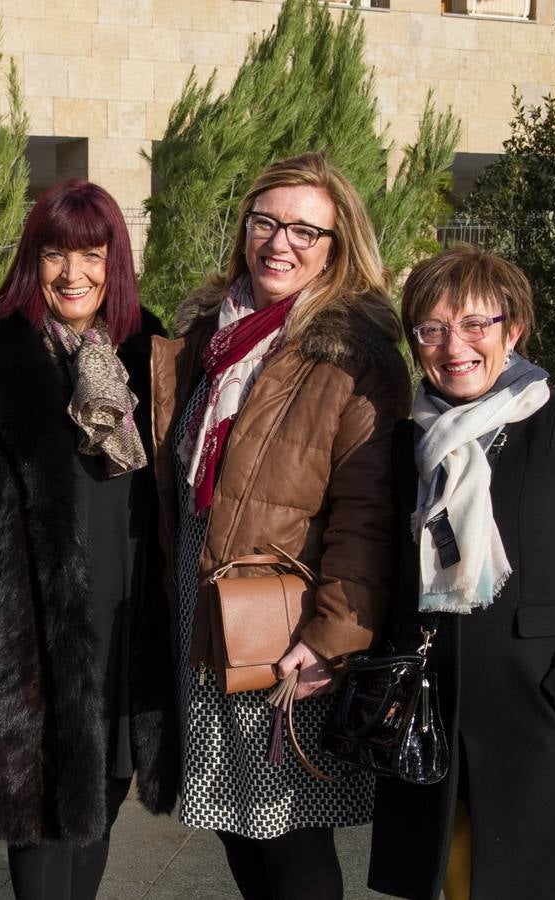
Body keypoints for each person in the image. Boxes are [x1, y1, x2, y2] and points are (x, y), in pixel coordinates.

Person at [367, 246, 555, 899]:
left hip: (546, 730)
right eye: (433, 329)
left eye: (476, 324)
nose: (456, 346)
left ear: (513, 329)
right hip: (439, 735)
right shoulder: (405, 446)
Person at [151, 151, 409, 900]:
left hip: (287, 623)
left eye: (305, 230)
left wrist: (331, 639)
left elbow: (368, 516)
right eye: (266, 221)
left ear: (338, 247)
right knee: (234, 820)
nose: (279, 242)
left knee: (289, 832)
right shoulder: (213, 337)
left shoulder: (354, 357)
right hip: (209, 610)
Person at [0, 179, 178, 900]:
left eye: (91, 255)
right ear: (33, 261)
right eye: (55, 254)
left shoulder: (149, 354)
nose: (73, 274)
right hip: (26, 639)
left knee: (103, 801)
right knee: (37, 817)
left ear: (114, 261)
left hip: (129, 624)